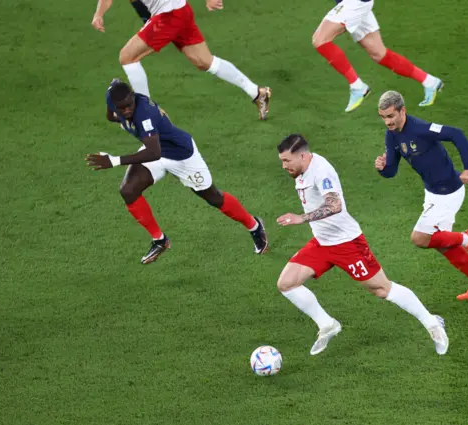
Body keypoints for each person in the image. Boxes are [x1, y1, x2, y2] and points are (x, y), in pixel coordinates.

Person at [275, 134, 448, 356]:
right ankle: (327, 324)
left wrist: (302, 218)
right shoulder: (301, 168)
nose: (283, 166)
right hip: (322, 241)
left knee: (382, 289)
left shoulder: (321, 171)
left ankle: (432, 323)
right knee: (287, 283)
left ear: (302, 155)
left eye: (287, 161)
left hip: (347, 243)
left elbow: (334, 205)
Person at [85, 80, 269, 264]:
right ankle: (160, 240)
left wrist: (114, 160)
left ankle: (254, 225)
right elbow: (112, 116)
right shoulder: (115, 100)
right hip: (156, 151)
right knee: (128, 190)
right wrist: (113, 96)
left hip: (181, 155)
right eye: (121, 107)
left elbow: (153, 153)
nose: (126, 111)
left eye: (128, 105)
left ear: (133, 98)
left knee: (214, 197)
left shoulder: (144, 115)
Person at [374, 90, 468, 300]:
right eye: (383, 117)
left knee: (420, 238)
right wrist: (382, 167)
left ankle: (467, 238)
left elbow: (456, 134)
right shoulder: (391, 135)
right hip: (432, 193)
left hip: (448, 193)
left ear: (403, 111)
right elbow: (391, 171)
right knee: (442, 244)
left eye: (391, 116)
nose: (387, 122)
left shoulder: (421, 128)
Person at [91, 0, 271, 120]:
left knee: (127, 57)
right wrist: (98, 14)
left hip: (169, 15)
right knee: (205, 62)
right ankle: (256, 92)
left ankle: (147, 112)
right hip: (179, 11)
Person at [313, 0, 443, 112]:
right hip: (353, 3)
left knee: (320, 39)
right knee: (379, 54)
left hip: (354, 2)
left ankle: (357, 86)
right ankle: (430, 81)